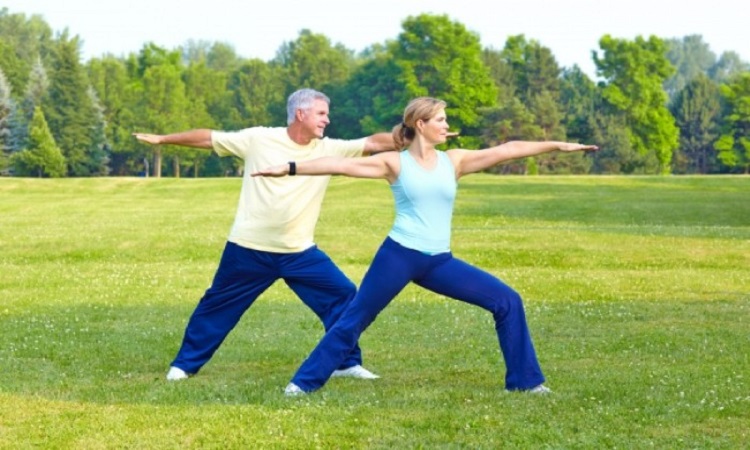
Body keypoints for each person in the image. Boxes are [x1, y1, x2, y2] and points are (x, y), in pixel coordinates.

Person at [252, 96, 598, 395]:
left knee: (507, 300)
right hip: (399, 256)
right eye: (441, 119)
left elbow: (508, 150)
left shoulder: (455, 161)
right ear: (421, 124)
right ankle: (302, 384)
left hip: (439, 261)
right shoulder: (394, 162)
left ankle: (525, 382)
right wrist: (290, 167)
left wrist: (558, 145)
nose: (447, 125)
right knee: (356, 317)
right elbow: (340, 164)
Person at [133, 88, 396, 381]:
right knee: (217, 307)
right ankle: (183, 366)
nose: (327, 120)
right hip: (248, 250)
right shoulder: (258, 139)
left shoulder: (328, 148)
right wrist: (163, 140)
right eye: (321, 114)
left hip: (300, 252)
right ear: (301, 113)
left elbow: (373, 142)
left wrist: (411, 135)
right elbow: (209, 138)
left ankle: (345, 363)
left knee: (343, 296)